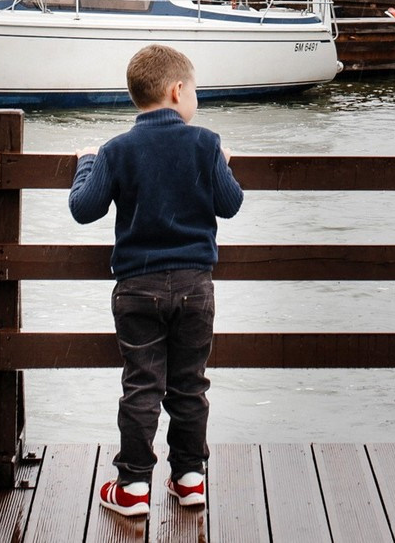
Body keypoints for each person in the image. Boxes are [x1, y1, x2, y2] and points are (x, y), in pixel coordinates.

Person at [71, 44, 243, 516]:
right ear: (176, 90)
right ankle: (189, 479)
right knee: (189, 386)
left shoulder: (116, 150)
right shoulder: (205, 143)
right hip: (194, 287)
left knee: (141, 386)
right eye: (195, 92)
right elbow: (229, 205)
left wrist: (86, 161)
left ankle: (132, 487)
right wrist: (222, 164)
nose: (196, 101)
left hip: (136, 289)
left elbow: (83, 209)